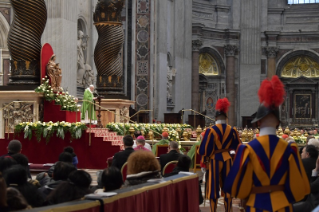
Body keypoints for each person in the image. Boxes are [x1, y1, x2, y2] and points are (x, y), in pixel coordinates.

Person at [224, 76, 310, 212]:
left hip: (256, 206)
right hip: (283, 206)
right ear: (278, 123)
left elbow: (238, 189)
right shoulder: (290, 149)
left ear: (258, 122)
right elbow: (299, 190)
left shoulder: (247, 149)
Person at [198, 97, 241, 212]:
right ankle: (228, 209)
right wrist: (231, 154)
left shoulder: (210, 130)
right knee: (227, 186)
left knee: (213, 187)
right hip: (227, 160)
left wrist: (204, 162)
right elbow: (238, 146)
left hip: (214, 160)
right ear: (226, 118)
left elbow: (205, 149)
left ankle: (213, 210)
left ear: (216, 118)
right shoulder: (232, 130)